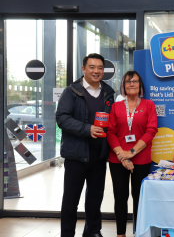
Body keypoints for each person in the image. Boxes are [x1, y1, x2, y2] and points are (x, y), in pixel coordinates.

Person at [56, 53, 115, 237]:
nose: (96, 71)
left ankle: (93, 232)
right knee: (70, 200)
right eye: (92, 67)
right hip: (76, 155)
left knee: (95, 199)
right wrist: (87, 129)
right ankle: (67, 234)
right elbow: (62, 118)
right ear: (83, 69)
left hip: (99, 155)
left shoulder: (108, 93)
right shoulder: (72, 91)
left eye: (99, 68)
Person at [107, 71, 158, 237]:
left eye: (135, 81)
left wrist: (132, 152)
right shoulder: (116, 107)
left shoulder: (149, 105)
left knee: (139, 197)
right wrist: (122, 155)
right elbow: (110, 132)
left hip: (141, 159)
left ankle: (138, 232)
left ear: (140, 85)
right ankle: (120, 234)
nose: (131, 84)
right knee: (120, 197)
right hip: (117, 158)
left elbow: (151, 131)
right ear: (123, 86)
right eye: (128, 81)